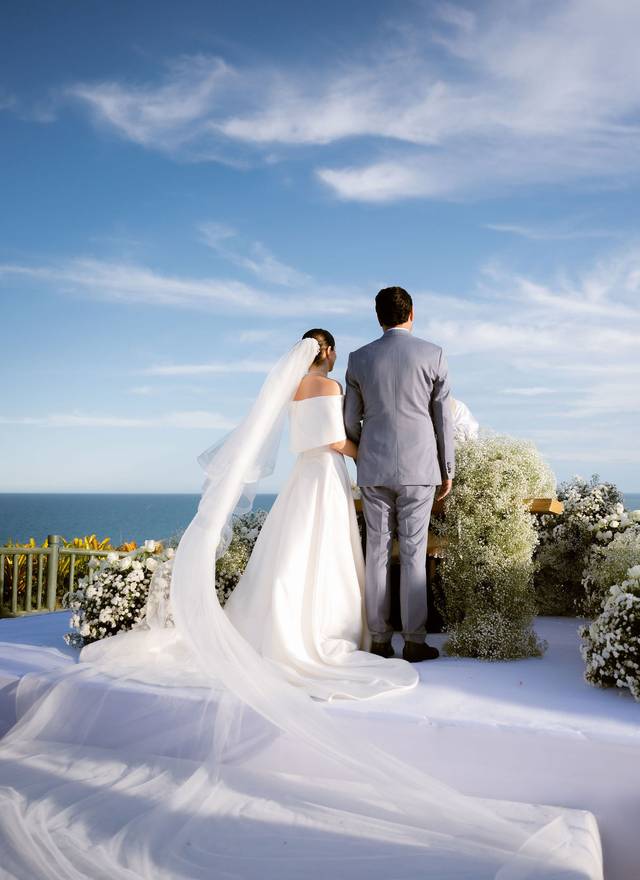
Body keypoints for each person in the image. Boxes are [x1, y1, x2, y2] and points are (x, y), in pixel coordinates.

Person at [223, 328, 418, 700]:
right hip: (327, 472)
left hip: (302, 473)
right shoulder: (329, 388)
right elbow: (335, 439)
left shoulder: (292, 389)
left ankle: (277, 624)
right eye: (334, 353)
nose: (335, 360)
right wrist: (368, 454)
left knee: (292, 547)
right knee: (327, 548)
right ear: (325, 351)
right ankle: (324, 628)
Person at [344, 286, 455, 662]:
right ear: (412, 314)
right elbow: (443, 419)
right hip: (420, 466)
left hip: (372, 465)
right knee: (413, 552)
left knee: (375, 550)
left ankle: (377, 640)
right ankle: (413, 641)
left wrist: (367, 448)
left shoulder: (358, 359)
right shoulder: (433, 354)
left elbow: (348, 419)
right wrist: (447, 468)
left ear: (379, 318)